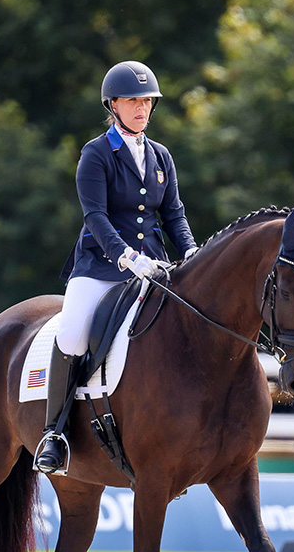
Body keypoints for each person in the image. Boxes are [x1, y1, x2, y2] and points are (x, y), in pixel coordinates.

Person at [34, 60, 199, 474]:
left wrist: (193, 254)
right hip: (101, 266)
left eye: (146, 101)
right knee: (71, 335)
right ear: (113, 104)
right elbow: (95, 216)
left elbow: (174, 215)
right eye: (132, 101)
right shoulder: (96, 154)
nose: (141, 108)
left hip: (155, 266)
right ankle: (54, 433)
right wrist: (124, 255)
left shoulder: (161, 156)